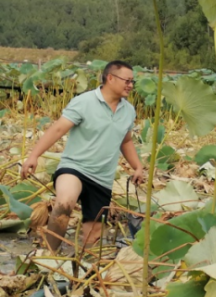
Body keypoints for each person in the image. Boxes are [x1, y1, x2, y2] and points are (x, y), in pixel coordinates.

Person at [21, 60, 145, 252]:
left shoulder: (128, 110)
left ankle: (81, 271)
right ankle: (48, 257)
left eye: (132, 82)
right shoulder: (84, 102)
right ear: (110, 78)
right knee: (64, 203)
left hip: (102, 178)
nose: (130, 85)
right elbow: (58, 130)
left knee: (93, 237)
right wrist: (33, 156)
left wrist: (137, 166)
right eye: (127, 81)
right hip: (75, 169)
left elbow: (126, 141)